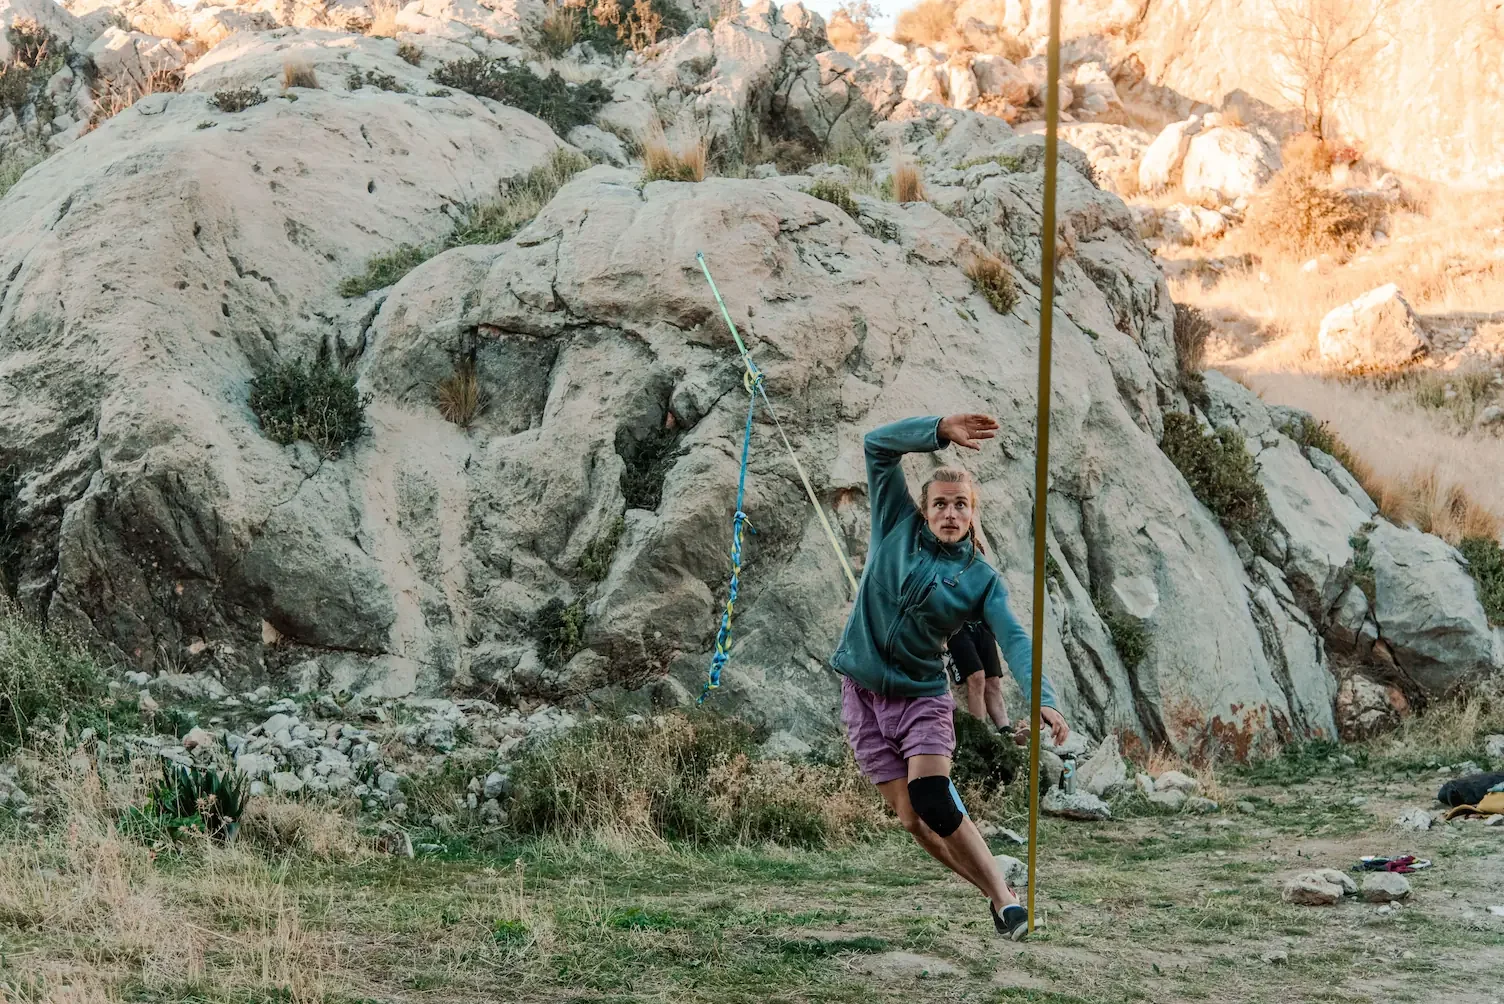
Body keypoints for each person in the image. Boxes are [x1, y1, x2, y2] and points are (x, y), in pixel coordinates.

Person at [831, 413, 1071, 942]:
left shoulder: (980, 581)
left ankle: (1007, 900)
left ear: (972, 515)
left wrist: (1041, 698)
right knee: (913, 821)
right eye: (939, 502)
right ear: (924, 508)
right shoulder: (894, 522)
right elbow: (877, 444)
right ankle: (991, 891)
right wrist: (938, 429)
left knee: (934, 800)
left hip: (920, 698)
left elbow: (1014, 638)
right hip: (862, 693)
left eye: (960, 504)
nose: (949, 511)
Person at [946, 621, 1022, 741]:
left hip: (980, 619)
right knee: (976, 677)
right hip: (954, 621)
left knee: (993, 680)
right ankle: (980, 735)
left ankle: (1006, 731)